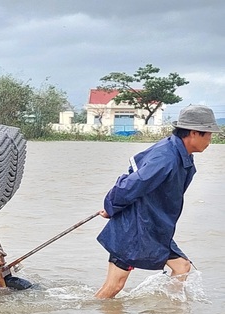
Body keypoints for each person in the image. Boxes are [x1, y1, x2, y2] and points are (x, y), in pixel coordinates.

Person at [94, 105, 222, 299]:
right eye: (209, 135)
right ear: (194, 133)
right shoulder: (166, 157)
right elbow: (132, 183)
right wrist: (110, 207)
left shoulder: (181, 154)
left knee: (182, 267)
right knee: (114, 287)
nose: (211, 140)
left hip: (153, 226)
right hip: (135, 227)